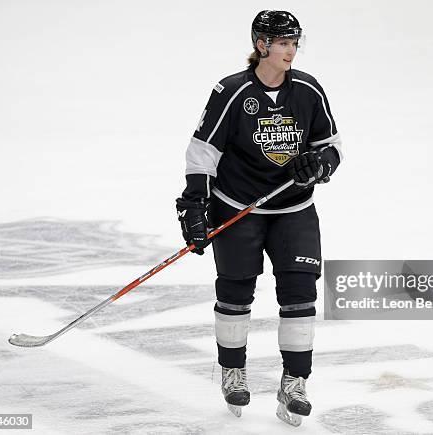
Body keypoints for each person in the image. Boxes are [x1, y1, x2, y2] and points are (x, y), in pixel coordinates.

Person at [176, 10, 343, 427]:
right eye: (283, 43)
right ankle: (233, 371)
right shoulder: (231, 91)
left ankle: (294, 381)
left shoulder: (307, 89)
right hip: (239, 207)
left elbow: (333, 146)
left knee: (301, 292)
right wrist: (196, 200)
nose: (291, 51)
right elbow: (202, 152)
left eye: (294, 43)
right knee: (235, 291)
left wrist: (319, 163)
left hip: (294, 209)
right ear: (261, 45)